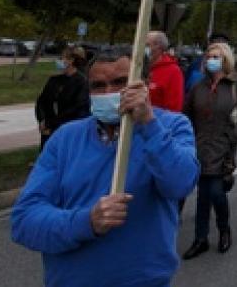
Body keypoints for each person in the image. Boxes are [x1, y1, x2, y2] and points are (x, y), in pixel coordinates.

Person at [11, 49, 199, 286]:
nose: (109, 92)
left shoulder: (171, 127)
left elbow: (180, 183)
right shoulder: (65, 139)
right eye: (98, 86)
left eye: (121, 82)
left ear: (144, 85)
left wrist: (148, 125)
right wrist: (86, 222)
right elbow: (25, 221)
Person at [180, 41, 237, 259]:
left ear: (225, 60)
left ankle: (224, 229)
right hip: (199, 147)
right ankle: (200, 238)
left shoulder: (234, 86)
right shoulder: (198, 87)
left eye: (216, 57)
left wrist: (233, 136)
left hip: (223, 149)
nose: (211, 60)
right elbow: (186, 115)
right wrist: (188, 138)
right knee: (202, 195)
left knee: (216, 192)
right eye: (209, 56)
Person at [34, 46, 90, 149]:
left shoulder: (82, 82)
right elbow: (41, 102)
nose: (59, 61)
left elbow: (77, 109)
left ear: (71, 60)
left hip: (67, 131)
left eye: (62, 58)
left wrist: (52, 123)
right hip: (48, 132)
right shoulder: (54, 80)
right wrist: (42, 120)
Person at [145, 31, 183, 112]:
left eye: (147, 45)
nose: (144, 49)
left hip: (157, 121)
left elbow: (174, 108)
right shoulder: (140, 66)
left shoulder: (173, 71)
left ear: (159, 47)